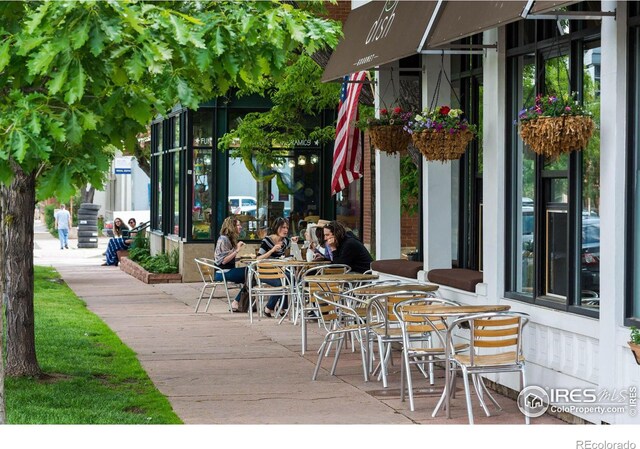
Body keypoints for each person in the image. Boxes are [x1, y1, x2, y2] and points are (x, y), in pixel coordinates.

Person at [256, 217, 298, 317]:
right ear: (276, 227)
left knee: (291, 277)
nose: (286, 230)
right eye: (283, 227)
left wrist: (294, 244)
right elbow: (258, 259)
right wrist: (272, 250)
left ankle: (283, 307)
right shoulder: (267, 240)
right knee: (282, 281)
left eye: (287, 228)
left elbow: (290, 256)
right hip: (265, 272)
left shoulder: (286, 241)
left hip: (279, 271)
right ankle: (269, 308)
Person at [213, 216, 246, 312]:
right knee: (250, 272)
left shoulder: (228, 239)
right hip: (223, 272)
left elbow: (228, 257)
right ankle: (236, 302)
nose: (240, 227)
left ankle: (246, 304)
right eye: (238, 225)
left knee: (251, 276)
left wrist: (241, 258)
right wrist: (237, 250)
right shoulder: (224, 239)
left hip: (227, 270)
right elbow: (223, 261)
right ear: (232, 227)